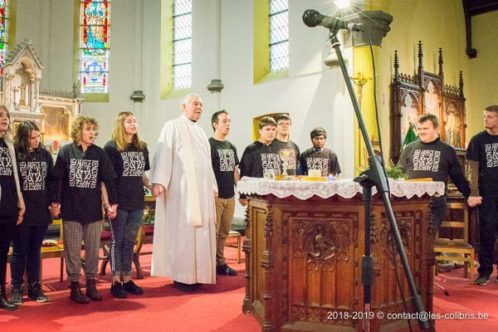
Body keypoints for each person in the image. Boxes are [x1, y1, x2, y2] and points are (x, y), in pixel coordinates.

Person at [150, 93, 217, 292]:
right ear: (183, 106)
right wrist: (159, 181)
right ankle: (182, 276)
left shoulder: (201, 131)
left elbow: (206, 163)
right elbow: (164, 153)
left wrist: (212, 185)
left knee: (200, 232)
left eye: (202, 105)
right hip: (182, 191)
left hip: (202, 192)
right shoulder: (172, 126)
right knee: (183, 232)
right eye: (195, 104)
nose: (199, 108)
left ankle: (197, 275)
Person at [52, 116, 118, 304]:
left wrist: (112, 203)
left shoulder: (99, 153)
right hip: (72, 210)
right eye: (88, 129)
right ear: (78, 131)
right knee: (72, 250)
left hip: (93, 211)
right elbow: (57, 180)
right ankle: (74, 285)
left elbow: (108, 179)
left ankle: (91, 283)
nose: (92, 133)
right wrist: (55, 203)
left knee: (92, 250)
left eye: (93, 130)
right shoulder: (66, 151)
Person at [104, 112, 151, 298]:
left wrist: (153, 186)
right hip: (119, 202)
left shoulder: (142, 147)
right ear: (120, 124)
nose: (133, 124)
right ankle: (115, 281)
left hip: (137, 201)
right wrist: (109, 204)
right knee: (118, 241)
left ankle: (126, 278)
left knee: (130, 241)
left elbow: (142, 175)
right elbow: (107, 179)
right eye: (129, 121)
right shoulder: (111, 147)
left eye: (135, 120)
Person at [398, 113, 470, 231]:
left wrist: (469, 195)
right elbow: (400, 173)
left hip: (434, 203)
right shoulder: (409, 148)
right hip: (410, 202)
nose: (421, 132)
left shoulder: (447, 150)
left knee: (427, 237)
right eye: (419, 129)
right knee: (408, 238)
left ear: (436, 129)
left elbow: (457, 176)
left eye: (425, 129)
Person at [10, 121, 54, 305]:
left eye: (38, 137)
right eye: (31, 138)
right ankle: (17, 288)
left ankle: (35, 288)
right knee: (20, 251)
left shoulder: (45, 155)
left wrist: (53, 203)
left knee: (35, 251)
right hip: (22, 211)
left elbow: (51, 181)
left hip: (41, 211)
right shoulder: (16, 154)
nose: (36, 141)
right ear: (23, 138)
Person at [466, 105, 498, 286]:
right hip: (487, 194)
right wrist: (475, 192)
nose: (486, 120)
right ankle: (485, 271)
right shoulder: (478, 140)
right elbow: (472, 169)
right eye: (485, 117)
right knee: (486, 232)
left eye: (491, 117)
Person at [209, 110, 240, 276]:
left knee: (224, 233)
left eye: (229, 121)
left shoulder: (231, 146)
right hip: (215, 196)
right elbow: (206, 171)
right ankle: (209, 263)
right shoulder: (209, 145)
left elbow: (235, 171)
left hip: (230, 196)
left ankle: (220, 263)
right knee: (212, 233)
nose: (228, 124)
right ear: (215, 124)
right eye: (224, 121)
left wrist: (241, 190)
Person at [0, 105, 25, 311]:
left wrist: (20, 202)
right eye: (0, 115)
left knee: (2, 253)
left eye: (6, 116)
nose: (4, 119)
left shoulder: (8, 143)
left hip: (8, 206)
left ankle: (1, 294)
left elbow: (15, 175)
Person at [239, 116, 279, 206]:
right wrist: (242, 195)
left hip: (274, 195)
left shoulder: (276, 148)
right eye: (267, 129)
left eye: (273, 129)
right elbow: (244, 174)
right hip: (256, 195)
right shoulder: (251, 149)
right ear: (260, 131)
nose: (271, 132)